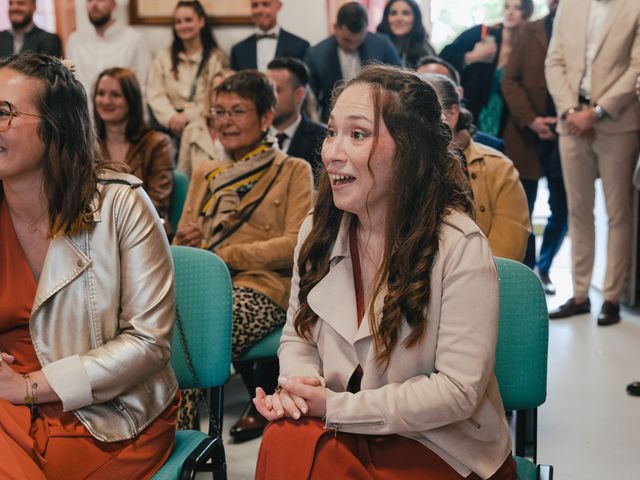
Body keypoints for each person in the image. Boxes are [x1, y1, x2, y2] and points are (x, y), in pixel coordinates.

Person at [253, 65, 514, 479]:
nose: (332, 152)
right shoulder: (317, 230)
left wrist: (335, 407)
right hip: (347, 424)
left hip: (437, 444)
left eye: (357, 135)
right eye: (331, 131)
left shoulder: (459, 245)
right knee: (283, 438)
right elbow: (297, 337)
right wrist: (301, 387)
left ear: (410, 150)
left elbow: (458, 392)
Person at [0, 53, 178, 479]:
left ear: (55, 126)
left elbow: (149, 343)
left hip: (106, 408)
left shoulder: (121, 203)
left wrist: (28, 388)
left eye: (3, 112)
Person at [173, 70, 313, 441]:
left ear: (267, 117)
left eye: (238, 111)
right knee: (153, 336)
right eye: (219, 112)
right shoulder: (205, 173)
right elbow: (184, 247)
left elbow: (295, 245)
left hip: (263, 289)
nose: (226, 121)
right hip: (203, 290)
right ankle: (159, 442)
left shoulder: (293, 170)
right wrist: (186, 240)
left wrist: (222, 253)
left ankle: (183, 447)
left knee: (190, 341)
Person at [545, 0, 640, 326]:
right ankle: (581, 294)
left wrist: (596, 112)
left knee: (618, 212)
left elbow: (636, 67)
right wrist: (571, 110)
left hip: (617, 121)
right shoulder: (570, 6)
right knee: (577, 210)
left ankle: (612, 297)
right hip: (570, 121)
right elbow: (554, 61)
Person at [423, 73, 530, 261]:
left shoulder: (498, 168)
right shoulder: (396, 167)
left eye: (422, 115)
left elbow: (506, 254)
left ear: (452, 115)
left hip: (482, 280)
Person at [501, 0, 566, 294]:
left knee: (562, 209)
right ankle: (525, 274)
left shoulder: (582, 32)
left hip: (567, 134)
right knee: (522, 207)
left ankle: (545, 266)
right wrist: (531, 120)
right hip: (525, 133)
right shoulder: (529, 30)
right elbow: (510, 80)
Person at [93, 67, 174, 231]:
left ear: (132, 100)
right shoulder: (88, 144)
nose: (106, 101)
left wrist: (112, 221)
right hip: (97, 229)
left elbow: (157, 203)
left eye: (115, 95)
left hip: (144, 229)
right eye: (101, 93)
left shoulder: (157, 143)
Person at [440, 0, 534, 137]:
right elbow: (443, 57)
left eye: (517, 8)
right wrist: (471, 57)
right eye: (507, 7)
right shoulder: (482, 33)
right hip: (472, 107)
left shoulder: (526, 48)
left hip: (506, 116)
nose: (510, 12)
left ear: (527, 13)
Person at [305, 1, 401, 122]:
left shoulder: (382, 45)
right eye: (347, 40)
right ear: (335, 28)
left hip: (379, 116)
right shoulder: (316, 54)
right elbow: (309, 99)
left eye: (359, 41)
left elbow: (399, 84)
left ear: (366, 29)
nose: (352, 46)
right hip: (333, 119)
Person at [147, 0, 228, 139]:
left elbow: (217, 97)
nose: (183, 26)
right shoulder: (163, 57)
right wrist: (171, 118)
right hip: (168, 132)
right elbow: (155, 93)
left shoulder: (216, 58)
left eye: (188, 20)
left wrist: (187, 117)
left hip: (203, 131)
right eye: (178, 21)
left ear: (201, 21)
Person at [416, 55, 505, 152]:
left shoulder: (491, 150)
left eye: (437, 86)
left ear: (458, 93)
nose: (424, 94)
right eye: (417, 85)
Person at [66, 0, 151, 101]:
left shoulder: (134, 40)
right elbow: (68, 82)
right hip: (82, 114)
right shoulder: (74, 40)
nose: (94, 5)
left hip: (122, 114)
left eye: (100, 0)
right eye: (89, 1)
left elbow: (142, 87)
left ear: (114, 5)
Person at [266, 57, 326, 182]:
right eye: (266, 90)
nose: (267, 97)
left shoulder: (322, 139)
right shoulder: (253, 135)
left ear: (298, 95)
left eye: (276, 90)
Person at [176, 69, 232, 179]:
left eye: (227, 89)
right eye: (217, 90)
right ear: (210, 94)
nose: (221, 95)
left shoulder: (239, 131)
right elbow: (183, 178)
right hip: (199, 193)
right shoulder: (191, 131)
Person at [231, 0, 309, 71]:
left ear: (278, 6)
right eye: (255, 5)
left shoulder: (300, 46)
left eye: (265, 4)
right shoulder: (238, 50)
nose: (259, 10)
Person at [376, 0, 435, 68]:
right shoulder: (376, 46)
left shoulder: (426, 51)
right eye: (393, 13)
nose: (399, 19)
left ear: (416, 18)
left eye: (405, 13)